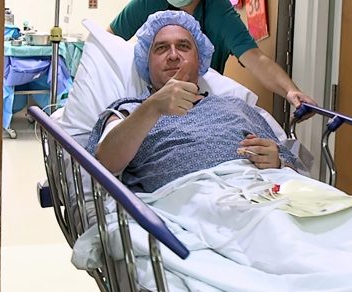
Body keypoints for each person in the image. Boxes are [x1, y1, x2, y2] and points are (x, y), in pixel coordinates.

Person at [90, 11, 299, 193]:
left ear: (199, 59)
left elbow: (293, 172)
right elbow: (105, 163)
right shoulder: (130, 110)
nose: (173, 55)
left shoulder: (235, 105)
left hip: (258, 192)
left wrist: (277, 162)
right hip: (185, 200)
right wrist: (152, 107)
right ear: (146, 60)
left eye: (183, 46)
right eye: (161, 48)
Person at [107, 0, 316, 111]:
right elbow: (106, 42)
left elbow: (255, 58)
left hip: (200, 103)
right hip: (153, 100)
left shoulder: (218, 10)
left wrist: (290, 91)